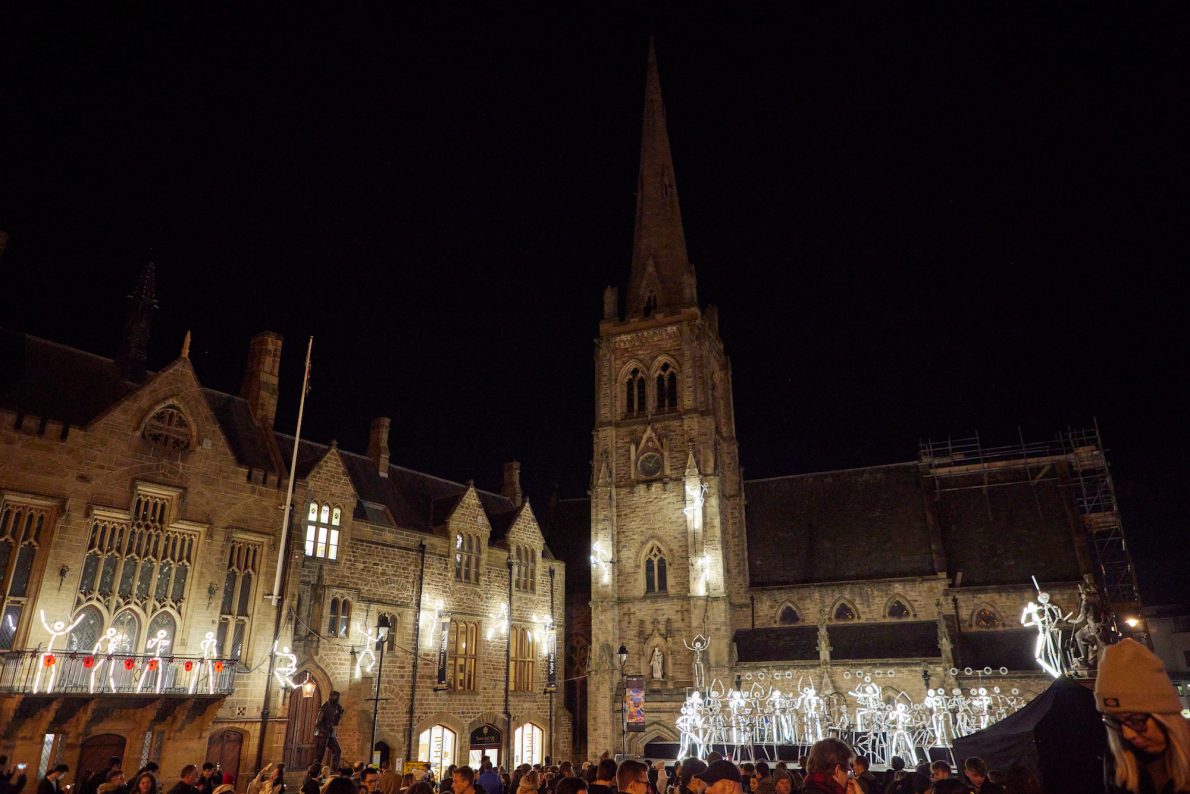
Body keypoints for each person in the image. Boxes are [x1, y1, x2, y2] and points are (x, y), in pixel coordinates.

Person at [1097, 638, 1190, 793]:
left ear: (1165, 715)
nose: (1128, 735)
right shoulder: (1119, 762)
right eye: (1115, 722)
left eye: (1136, 720)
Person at [314, 692, 346, 771]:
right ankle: (314, 772)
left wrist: (339, 714)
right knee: (319, 755)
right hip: (322, 734)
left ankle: (334, 770)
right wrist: (325, 731)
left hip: (330, 734)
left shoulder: (336, 707)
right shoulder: (325, 707)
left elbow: (335, 723)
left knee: (337, 750)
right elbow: (318, 723)